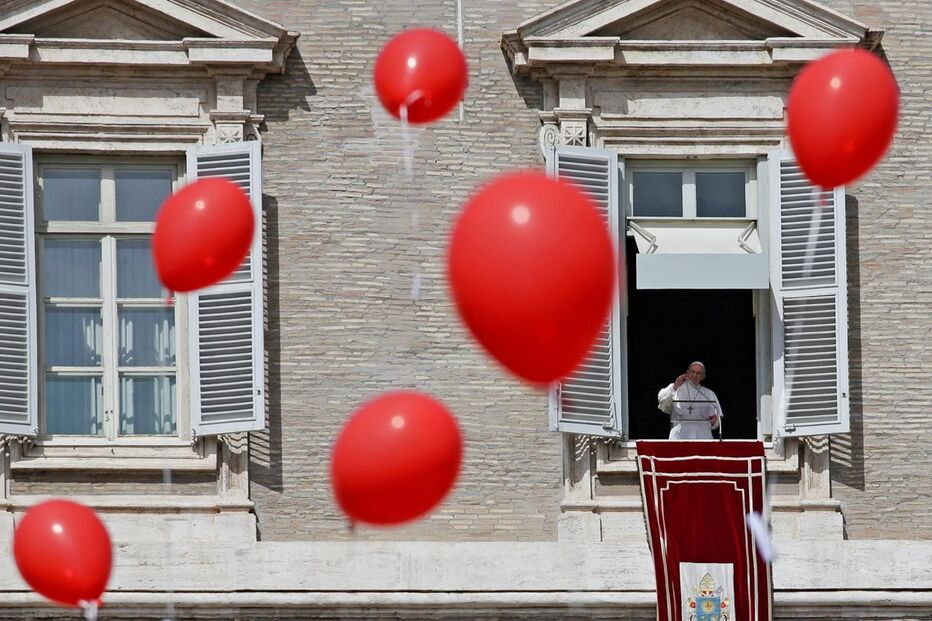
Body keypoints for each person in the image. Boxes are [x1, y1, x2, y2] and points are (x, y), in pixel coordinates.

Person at [657, 361, 723, 440]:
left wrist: (715, 422)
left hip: (703, 437)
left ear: (703, 376)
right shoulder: (676, 389)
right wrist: (675, 386)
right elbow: (662, 400)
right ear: (687, 373)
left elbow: (717, 418)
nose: (695, 375)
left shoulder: (709, 393)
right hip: (680, 437)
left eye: (698, 373)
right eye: (693, 372)